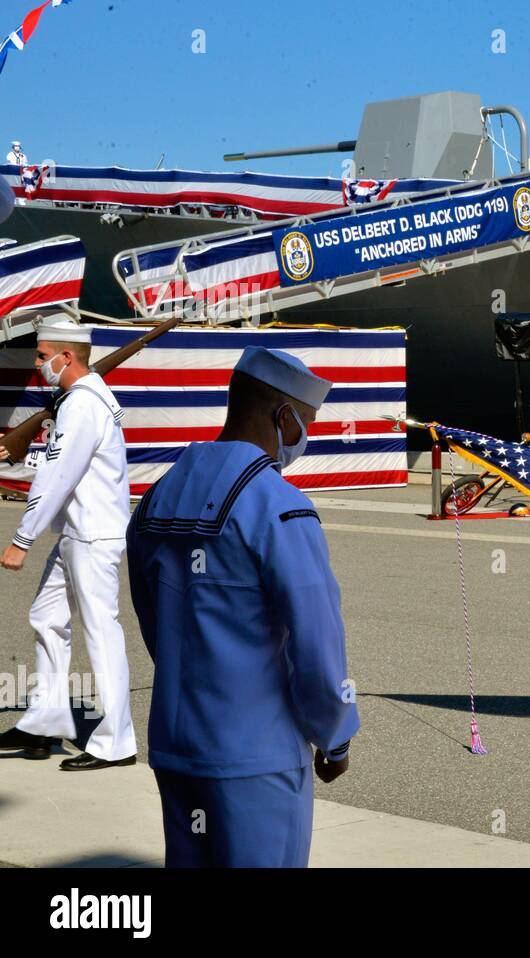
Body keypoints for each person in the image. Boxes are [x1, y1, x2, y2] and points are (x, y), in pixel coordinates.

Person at [125, 346, 359, 867]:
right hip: (257, 757)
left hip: (177, 744)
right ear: (283, 417)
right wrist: (335, 736)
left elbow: (153, 621)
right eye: (306, 424)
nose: (304, 438)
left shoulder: (158, 498)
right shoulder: (281, 507)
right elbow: (317, 640)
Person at [0, 321, 137, 769]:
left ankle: (116, 742)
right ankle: (45, 722)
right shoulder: (86, 398)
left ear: (67, 358)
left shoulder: (81, 406)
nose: (38, 365)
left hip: (92, 535)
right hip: (79, 532)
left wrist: (22, 539)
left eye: (43, 356)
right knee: (46, 616)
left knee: (101, 633)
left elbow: (56, 478)